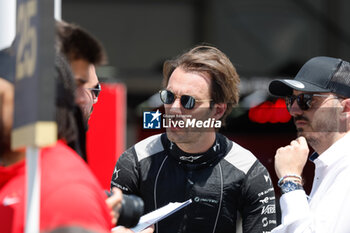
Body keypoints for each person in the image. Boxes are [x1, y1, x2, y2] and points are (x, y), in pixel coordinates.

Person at [111, 45, 277, 233]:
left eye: (188, 101)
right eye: (168, 96)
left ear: (217, 110)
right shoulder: (134, 161)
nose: (173, 109)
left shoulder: (249, 170)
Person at [268, 56, 350, 232]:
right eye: (291, 101)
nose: (294, 110)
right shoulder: (330, 164)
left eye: (307, 100)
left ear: (345, 108)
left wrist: (290, 180)